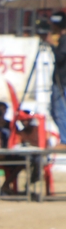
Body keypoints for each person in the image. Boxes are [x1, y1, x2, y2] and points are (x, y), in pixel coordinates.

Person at [47, 11, 66, 144]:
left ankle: (64, 140)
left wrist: (51, 44)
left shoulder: (64, 39)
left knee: (60, 111)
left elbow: (60, 58)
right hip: (60, 81)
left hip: (62, 82)